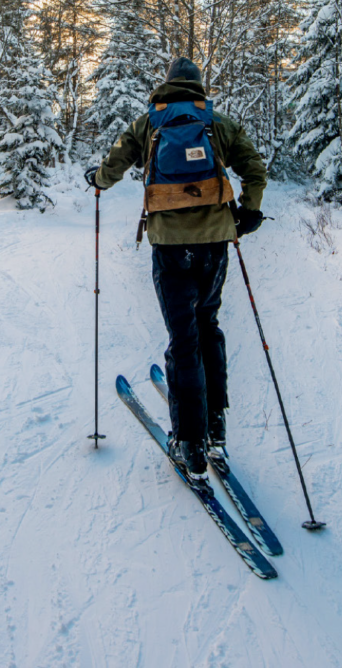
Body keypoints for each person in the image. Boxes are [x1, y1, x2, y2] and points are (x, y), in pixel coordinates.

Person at [84, 57, 267, 481]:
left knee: (182, 338)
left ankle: (189, 443)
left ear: (166, 86)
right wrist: (249, 213)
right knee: (209, 326)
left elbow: (115, 162)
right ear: (198, 88)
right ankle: (216, 430)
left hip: (169, 245)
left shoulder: (150, 122)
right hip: (215, 243)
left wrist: (98, 180)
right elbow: (254, 169)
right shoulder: (215, 122)